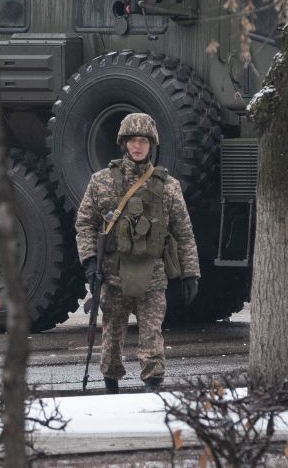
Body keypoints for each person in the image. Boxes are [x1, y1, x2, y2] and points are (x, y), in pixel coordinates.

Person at [75, 112, 200, 394]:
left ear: (151, 144)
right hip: (113, 272)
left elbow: (183, 232)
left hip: (152, 274)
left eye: (143, 140)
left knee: (151, 336)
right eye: (133, 140)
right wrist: (89, 260)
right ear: (124, 143)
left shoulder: (168, 187)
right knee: (111, 337)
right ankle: (111, 389)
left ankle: (152, 388)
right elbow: (85, 223)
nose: (138, 146)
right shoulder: (101, 181)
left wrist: (191, 272)